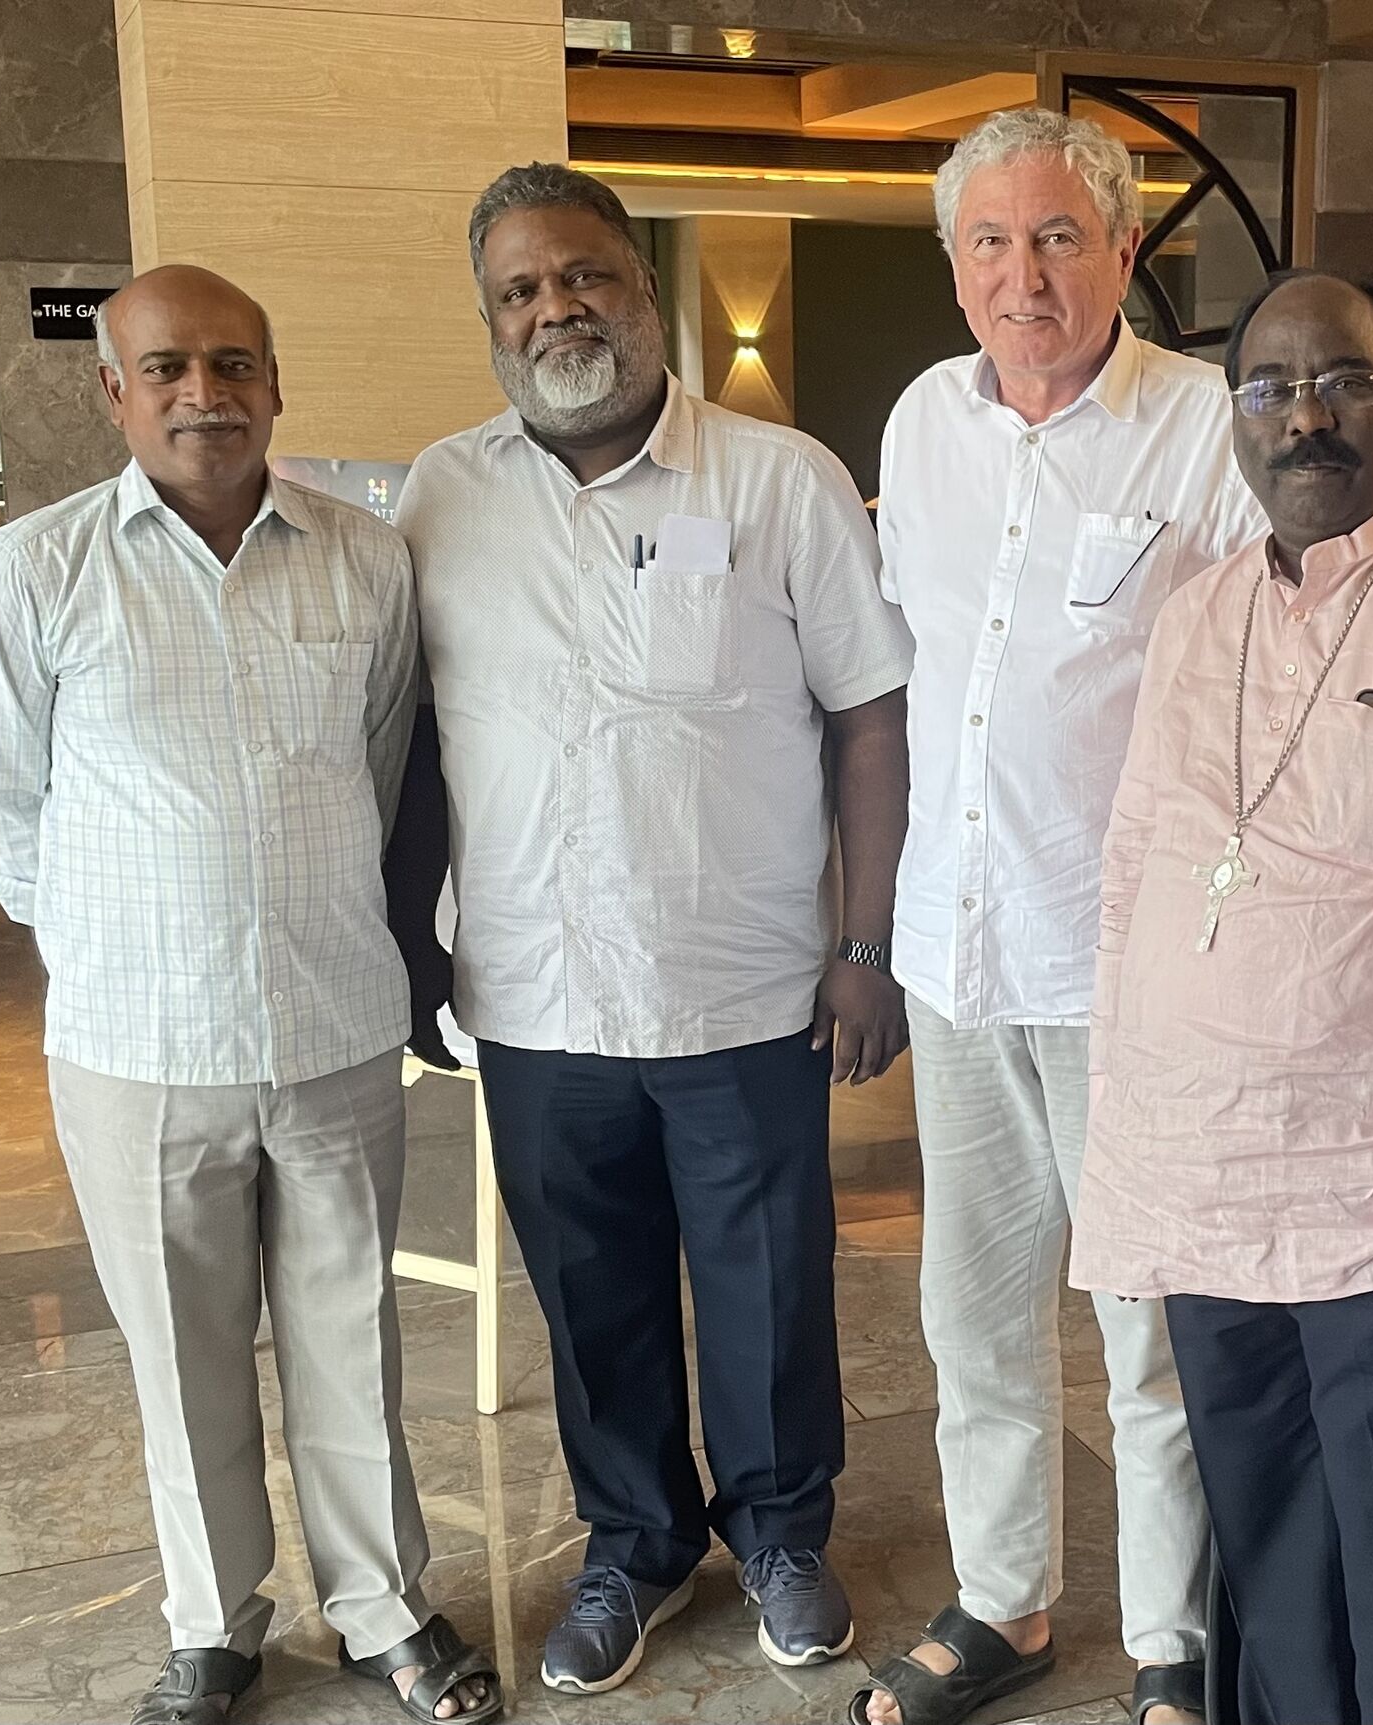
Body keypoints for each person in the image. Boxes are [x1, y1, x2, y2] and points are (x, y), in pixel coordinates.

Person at [393, 165, 914, 1695]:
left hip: (743, 988)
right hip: (535, 993)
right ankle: (634, 1541)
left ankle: (781, 1532)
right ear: (490, 320)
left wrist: (865, 945)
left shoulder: (779, 480)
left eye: (585, 277)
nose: (556, 308)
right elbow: (409, 740)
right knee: (590, 1298)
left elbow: (870, 719)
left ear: (643, 287)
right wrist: (418, 948)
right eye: (521, 290)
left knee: (769, 1289)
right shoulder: (440, 497)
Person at [0, 267, 499, 1725]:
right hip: (137, 1044)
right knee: (182, 1351)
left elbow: (385, 768)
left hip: (332, 1024)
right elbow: (6, 804)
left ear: (276, 384)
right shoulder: (32, 571)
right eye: (167, 369)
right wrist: (116, 941)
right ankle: (212, 1624)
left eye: (231, 365)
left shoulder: (365, 559)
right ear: (115, 392)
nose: (202, 394)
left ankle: (383, 1607)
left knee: (351, 1336)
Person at [1069, 269, 1373, 1725]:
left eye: (1344, 379)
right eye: (1271, 388)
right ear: (1233, 417)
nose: (1306, 417)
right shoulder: (1198, 614)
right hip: (1207, 1183)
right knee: (1272, 1549)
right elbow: (1136, 872)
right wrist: (1124, 1150)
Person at [853, 109, 1263, 1725]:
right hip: (958, 950)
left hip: (1128, 964)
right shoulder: (920, 424)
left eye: (1057, 238)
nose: (1023, 275)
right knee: (973, 1314)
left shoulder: (1204, 429)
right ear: (954, 263)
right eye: (991, 242)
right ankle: (1000, 1600)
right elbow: (920, 671)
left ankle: (1173, 1636)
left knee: (1145, 1325)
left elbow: (1268, 678)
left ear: (1125, 251)